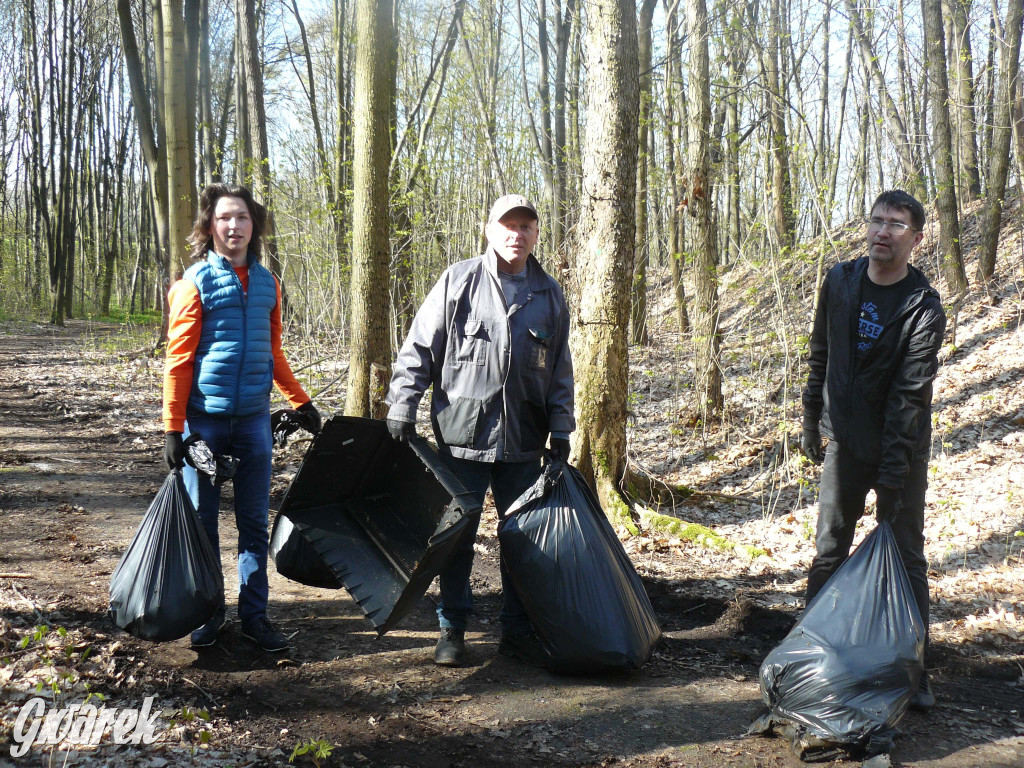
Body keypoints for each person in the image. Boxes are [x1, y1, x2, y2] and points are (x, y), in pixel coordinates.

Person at [385, 194, 575, 667]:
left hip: (524, 441)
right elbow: (419, 348)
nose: (517, 234)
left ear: (536, 234)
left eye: (526, 226)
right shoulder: (458, 281)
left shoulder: (548, 294)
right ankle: (452, 629)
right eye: (508, 226)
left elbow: (560, 371)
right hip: (461, 437)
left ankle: (517, 631)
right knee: (456, 540)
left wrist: (562, 427)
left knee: (522, 541)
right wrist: (402, 404)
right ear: (489, 230)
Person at [801, 189, 946, 711]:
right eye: (877, 221)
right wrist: (809, 422)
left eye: (896, 225)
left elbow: (910, 394)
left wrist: (892, 471)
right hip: (845, 443)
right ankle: (807, 654)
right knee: (828, 550)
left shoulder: (922, 308)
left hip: (900, 453)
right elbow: (819, 351)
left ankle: (915, 669)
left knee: (905, 556)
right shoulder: (840, 281)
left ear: (916, 238)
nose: (883, 231)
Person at [162, 184, 321, 652]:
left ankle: (255, 616)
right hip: (204, 425)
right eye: (225, 218)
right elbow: (178, 362)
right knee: (204, 525)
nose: (234, 227)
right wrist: (174, 429)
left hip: (253, 423)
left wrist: (300, 401)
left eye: (243, 218)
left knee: (254, 525)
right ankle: (208, 615)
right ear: (210, 226)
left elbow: (273, 353)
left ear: (255, 226)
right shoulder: (192, 285)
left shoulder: (269, 284)